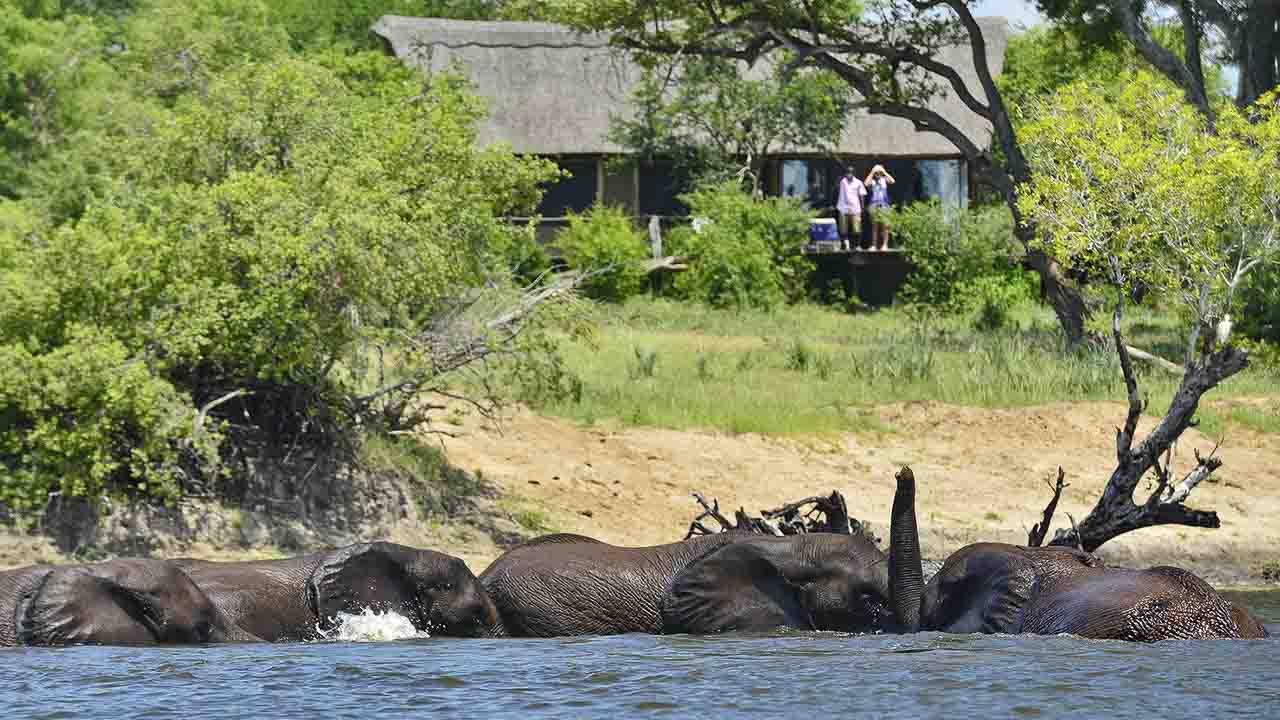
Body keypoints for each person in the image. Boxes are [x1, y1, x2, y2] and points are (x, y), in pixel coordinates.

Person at [835, 166, 866, 251]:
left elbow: (862, 195)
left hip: (855, 208)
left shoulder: (858, 182)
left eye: (851, 173)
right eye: (847, 173)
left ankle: (857, 245)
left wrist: (862, 207)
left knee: (856, 228)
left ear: (854, 173)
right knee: (843, 228)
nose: (849, 174)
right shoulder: (842, 181)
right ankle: (845, 245)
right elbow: (837, 185)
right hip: (843, 207)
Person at [865, 164, 895, 251]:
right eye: (876, 173)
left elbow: (892, 181)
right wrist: (872, 172)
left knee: (885, 225)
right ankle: (874, 245)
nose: (878, 174)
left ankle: (885, 245)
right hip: (874, 204)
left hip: (884, 204)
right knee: (875, 226)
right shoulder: (872, 181)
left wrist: (884, 172)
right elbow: (866, 183)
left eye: (879, 173)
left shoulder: (884, 179)